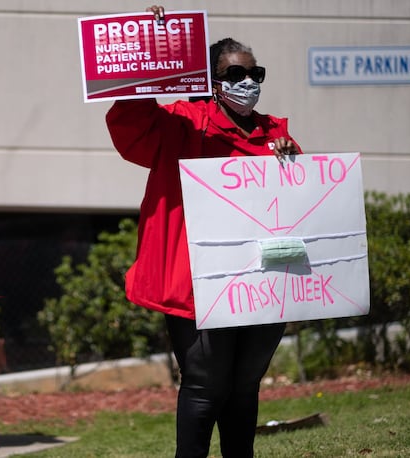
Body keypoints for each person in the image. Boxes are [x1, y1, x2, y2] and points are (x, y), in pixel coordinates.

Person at [105, 6, 302, 457]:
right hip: (197, 282)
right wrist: (153, 52)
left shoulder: (276, 136)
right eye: (235, 73)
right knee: (205, 384)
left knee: (245, 384)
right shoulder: (182, 122)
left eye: (256, 74)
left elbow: (300, 199)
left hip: (262, 282)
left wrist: (292, 160)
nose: (247, 82)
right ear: (211, 80)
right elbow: (131, 125)